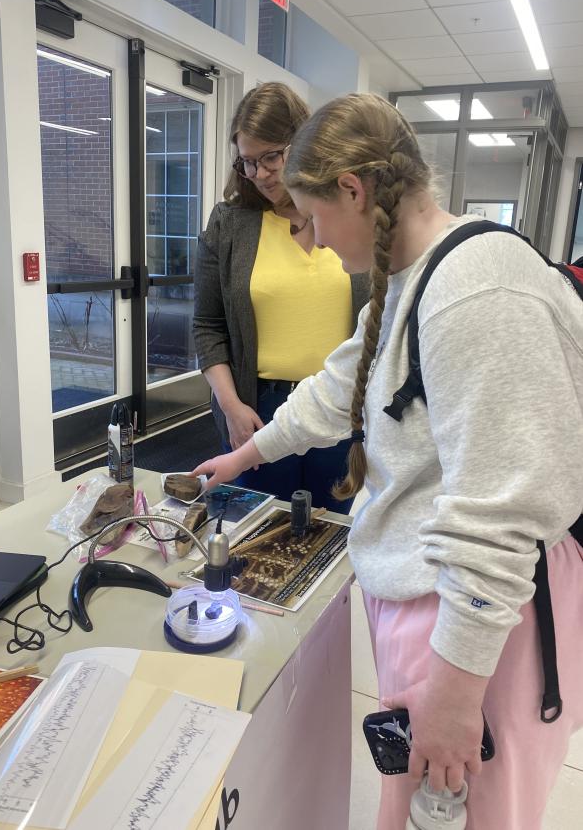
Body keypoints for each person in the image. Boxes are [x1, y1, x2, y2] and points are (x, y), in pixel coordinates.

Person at [193, 93, 583, 829]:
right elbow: (340, 386)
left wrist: (456, 693)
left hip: (482, 620)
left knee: (470, 815)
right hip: (431, 596)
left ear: (353, 189)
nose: (307, 242)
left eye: (308, 219)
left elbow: (499, 513)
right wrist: (246, 453)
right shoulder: (411, 279)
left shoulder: (478, 290)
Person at [193, 82, 370, 513]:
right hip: (258, 406)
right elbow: (208, 326)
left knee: (330, 533)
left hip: (338, 404)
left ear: (304, 141)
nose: (259, 174)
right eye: (247, 162)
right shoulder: (230, 224)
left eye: (271, 156)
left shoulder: (345, 215)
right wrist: (231, 406)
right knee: (253, 534)